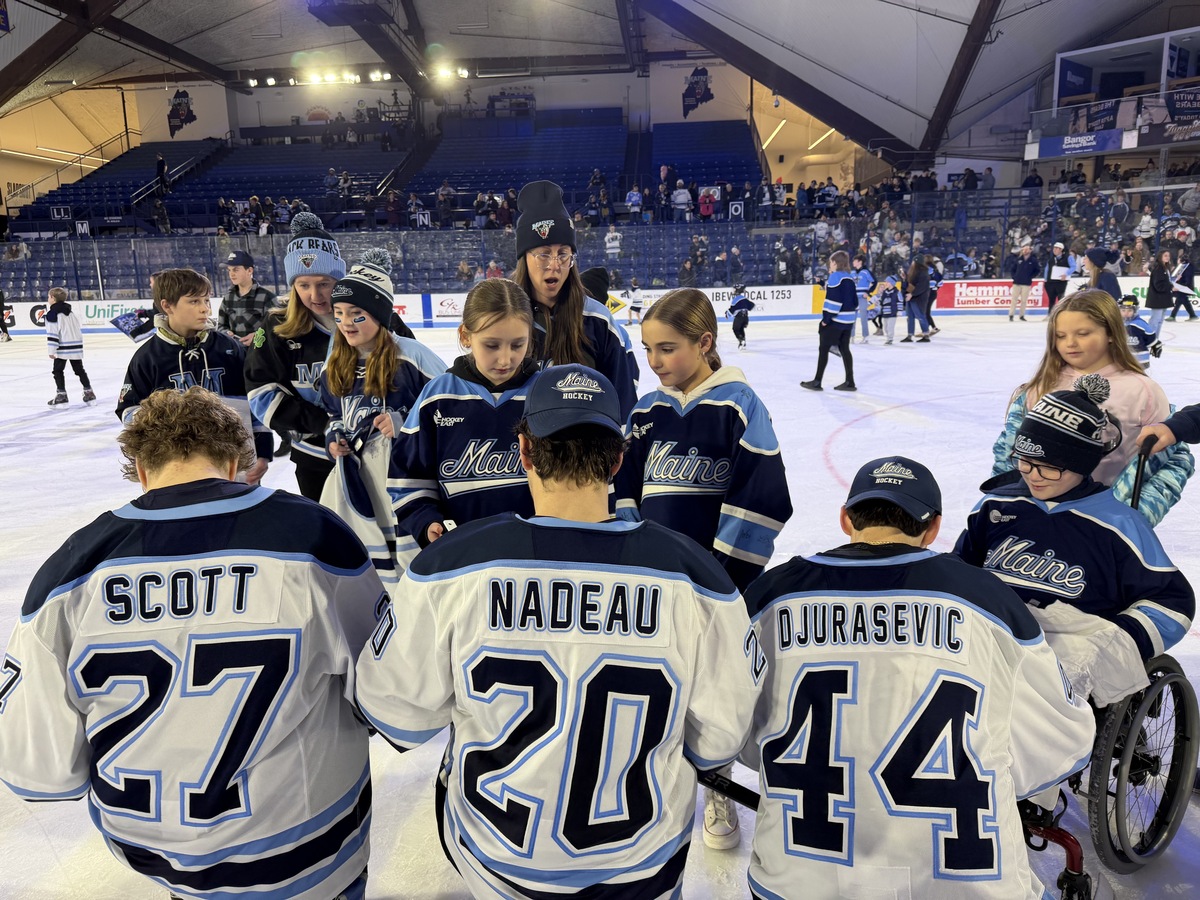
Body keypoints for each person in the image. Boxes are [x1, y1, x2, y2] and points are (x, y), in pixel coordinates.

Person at [354, 363, 761, 899]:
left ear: (523, 451)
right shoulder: (698, 577)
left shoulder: (450, 567)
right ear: (619, 458)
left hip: (498, 863)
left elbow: (395, 709)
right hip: (642, 866)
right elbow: (721, 739)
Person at [0, 387, 383, 900]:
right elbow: (385, 692)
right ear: (233, 463)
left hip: (156, 850)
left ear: (140, 469)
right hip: (307, 845)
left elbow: (39, 765)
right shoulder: (312, 536)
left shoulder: (71, 570)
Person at [743, 455, 1096, 900]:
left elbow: (735, 730)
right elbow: (1061, 737)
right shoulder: (990, 599)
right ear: (933, 529)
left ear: (845, 518)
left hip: (798, 878)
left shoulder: (771, 595)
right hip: (966, 881)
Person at [958, 376, 1194, 699]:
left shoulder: (1118, 525)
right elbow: (959, 570)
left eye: (1048, 468)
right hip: (992, 636)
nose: (1032, 475)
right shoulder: (995, 506)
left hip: (1066, 654)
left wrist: (1120, 638)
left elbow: (1174, 603)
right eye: (1025, 461)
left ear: (1082, 464)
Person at [618, 287, 792, 591]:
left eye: (667, 349)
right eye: (647, 348)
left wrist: (722, 575)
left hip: (719, 587)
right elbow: (624, 491)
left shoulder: (739, 406)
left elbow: (761, 497)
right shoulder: (645, 410)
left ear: (704, 343)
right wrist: (635, 557)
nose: (654, 361)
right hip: (653, 582)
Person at [990, 289, 1193, 526]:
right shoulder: (1041, 385)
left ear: (1110, 332)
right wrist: (1003, 508)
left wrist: (1131, 517)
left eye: (1083, 333)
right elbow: (1010, 453)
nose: (1070, 344)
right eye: (1060, 335)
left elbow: (1166, 461)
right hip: (1037, 519)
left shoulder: (1143, 390)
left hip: (1103, 524)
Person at [318, 257, 444, 592]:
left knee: (413, 570)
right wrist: (334, 439)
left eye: (357, 315)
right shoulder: (336, 363)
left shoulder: (413, 357)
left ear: (380, 315)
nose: (346, 323)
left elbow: (449, 411)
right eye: (340, 313)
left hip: (406, 478)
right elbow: (333, 415)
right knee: (367, 572)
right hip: (358, 482)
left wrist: (404, 424)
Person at [389, 278, 539, 547]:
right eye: (491, 345)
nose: (505, 359)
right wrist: (426, 522)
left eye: (518, 345)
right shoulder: (437, 397)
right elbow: (407, 479)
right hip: (462, 557)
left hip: (534, 553)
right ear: (465, 336)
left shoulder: (546, 394)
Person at [116, 268, 272, 486]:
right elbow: (129, 410)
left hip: (233, 463)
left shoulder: (231, 349)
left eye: (206, 300)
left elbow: (255, 401)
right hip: (172, 467)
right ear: (167, 306)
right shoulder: (147, 358)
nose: (205, 309)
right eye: (194, 301)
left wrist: (263, 452)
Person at [510, 179, 639, 416]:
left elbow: (624, 402)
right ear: (524, 258)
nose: (554, 265)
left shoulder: (598, 320)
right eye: (543, 254)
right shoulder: (506, 318)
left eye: (563, 254)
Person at [245, 212, 347, 499]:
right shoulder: (277, 327)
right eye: (303, 285)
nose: (314, 295)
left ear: (338, 279)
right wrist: (324, 424)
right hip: (313, 458)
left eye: (324, 283)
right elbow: (261, 394)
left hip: (376, 453)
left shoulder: (373, 316)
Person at [802, 250, 858, 390]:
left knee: (823, 348)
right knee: (845, 349)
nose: (830, 265)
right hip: (849, 320)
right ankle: (850, 382)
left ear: (835, 263)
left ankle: (817, 381)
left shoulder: (835, 277)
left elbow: (834, 302)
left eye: (831, 262)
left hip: (837, 321)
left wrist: (826, 319)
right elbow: (855, 301)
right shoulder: (849, 278)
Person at [44, 287, 95, 406]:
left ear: (52, 298)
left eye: (48, 296)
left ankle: (61, 395)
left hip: (63, 346)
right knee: (79, 370)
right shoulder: (70, 312)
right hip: (75, 345)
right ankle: (89, 392)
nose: (48, 299)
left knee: (57, 370)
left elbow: (53, 333)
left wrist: (51, 350)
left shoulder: (52, 314)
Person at [217, 250, 277, 347]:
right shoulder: (228, 298)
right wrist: (226, 333)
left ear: (249, 270)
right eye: (229, 270)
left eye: (236, 270)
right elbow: (221, 326)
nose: (231, 274)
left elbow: (278, 329)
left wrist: (259, 336)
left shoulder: (267, 297)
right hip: (235, 354)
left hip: (260, 355)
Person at [1118, 294, 1162, 369]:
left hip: (1141, 361)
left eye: (1129, 310)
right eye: (1123, 310)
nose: (1126, 313)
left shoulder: (1140, 324)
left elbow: (1150, 337)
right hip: (1123, 360)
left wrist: (1155, 344)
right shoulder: (1117, 324)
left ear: (1135, 311)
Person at [901, 254, 932, 342]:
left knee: (920, 316)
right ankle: (910, 335)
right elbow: (910, 284)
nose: (912, 263)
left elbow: (921, 287)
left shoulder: (923, 273)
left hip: (918, 299)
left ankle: (926, 335)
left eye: (914, 261)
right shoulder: (912, 272)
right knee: (909, 316)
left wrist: (912, 294)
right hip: (911, 298)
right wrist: (904, 278)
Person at [1144, 247, 1173, 335]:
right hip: (1157, 300)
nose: (1167, 257)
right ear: (1160, 257)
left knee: (1159, 320)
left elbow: (1165, 282)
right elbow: (1159, 286)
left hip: (1162, 299)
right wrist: (1171, 287)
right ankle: (1150, 339)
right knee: (1155, 320)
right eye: (1165, 256)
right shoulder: (1158, 269)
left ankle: (1155, 339)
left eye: (1168, 256)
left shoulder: (1165, 268)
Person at [1008, 243, 1039, 321]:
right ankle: (1011, 315)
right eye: (1024, 249)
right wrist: (1014, 277)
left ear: (1030, 250)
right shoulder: (1018, 259)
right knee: (1014, 299)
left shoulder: (1033, 260)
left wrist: (1031, 277)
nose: (1025, 251)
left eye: (1027, 249)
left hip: (1026, 283)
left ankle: (1021, 315)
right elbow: (1012, 269)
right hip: (1017, 283)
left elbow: (1037, 270)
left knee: (1024, 300)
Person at [851, 253, 876, 343]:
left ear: (860, 262)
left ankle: (865, 336)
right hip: (853, 298)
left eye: (855, 261)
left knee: (863, 317)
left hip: (862, 297)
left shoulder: (866, 272)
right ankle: (851, 336)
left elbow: (874, 282)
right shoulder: (852, 273)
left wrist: (868, 292)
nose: (853, 262)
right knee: (851, 317)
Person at [1168, 250, 1197, 320]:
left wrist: (1181, 285)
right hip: (1182, 286)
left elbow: (1186, 279)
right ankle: (1192, 315)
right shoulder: (1186, 267)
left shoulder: (1185, 268)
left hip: (1183, 287)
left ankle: (1172, 316)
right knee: (1184, 301)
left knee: (1179, 300)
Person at [1043, 240, 1071, 309]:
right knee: (1051, 300)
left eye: (1056, 248)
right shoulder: (1051, 259)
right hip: (1050, 282)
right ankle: (1050, 314)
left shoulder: (1068, 257)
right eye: (1054, 248)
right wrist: (1046, 280)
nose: (1054, 250)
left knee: (1061, 299)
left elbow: (1073, 267)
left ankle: (1061, 313)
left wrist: (1066, 274)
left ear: (1061, 249)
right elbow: (1047, 269)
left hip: (1061, 282)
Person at [876, 274, 903, 344]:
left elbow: (900, 301)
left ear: (892, 283)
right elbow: (881, 300)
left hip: (892, 313)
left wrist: (899, 311)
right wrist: (878, 303)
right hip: (885, 313)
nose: (886, 283)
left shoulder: (897, 292)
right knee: (886, 327)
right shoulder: (885, 292)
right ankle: (888, 337)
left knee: (890, 327)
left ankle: (890, 339)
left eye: (887, 282)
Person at [727, 281, 754, 349]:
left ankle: (741, 340)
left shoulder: (737, 299)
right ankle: (743, 341)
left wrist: (727, 314)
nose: (733, 291)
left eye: (734, 289)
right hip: (745, 317)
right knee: (741, 328)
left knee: (735, 329)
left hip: (739, 317)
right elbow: (751, 305)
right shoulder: (744, 299)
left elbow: (732, 309)